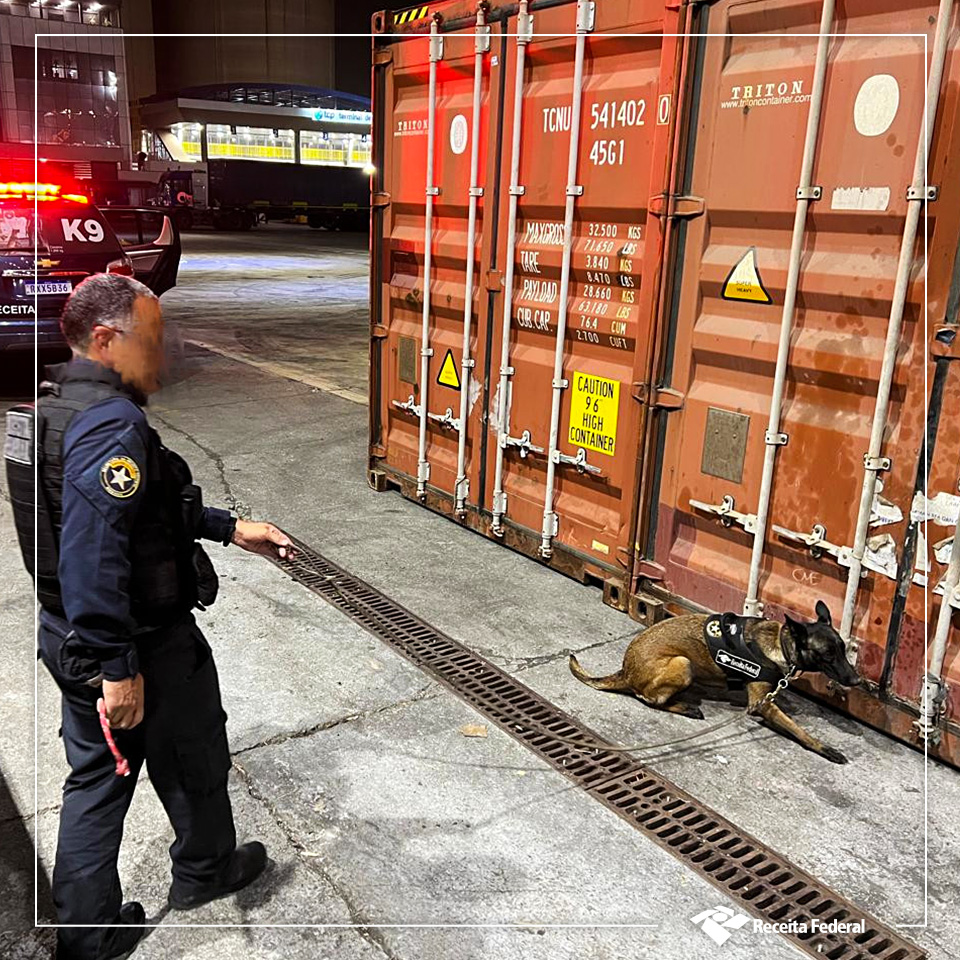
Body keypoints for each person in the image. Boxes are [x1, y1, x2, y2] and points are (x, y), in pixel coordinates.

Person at [12, 273, 294, 960]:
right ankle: (189, 880)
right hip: (137, 640)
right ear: (105, 339)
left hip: (73, 632)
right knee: (184, 752)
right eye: (152, 339)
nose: (164, 354)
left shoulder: (46, 412)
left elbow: (148, 510)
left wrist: (231, 528)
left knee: (99, 775)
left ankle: (100, 923)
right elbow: (92, 554)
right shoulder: (110, 424)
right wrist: (119, 667)